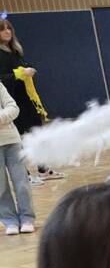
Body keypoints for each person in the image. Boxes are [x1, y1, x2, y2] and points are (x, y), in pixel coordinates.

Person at [0, 15, 61, 181]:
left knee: (37, 132)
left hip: (27, 99)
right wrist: (18, 74)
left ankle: (43, 169)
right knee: (18, 138)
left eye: (8, 28)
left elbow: (23, 67)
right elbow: (2, 78)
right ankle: (24, 175)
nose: (7, 31)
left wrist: (28, 69)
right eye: (2, 29)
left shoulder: (15, 51)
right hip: (12, 101)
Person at [0, 79, 35, 235]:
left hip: (12, 141)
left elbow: (13, 108)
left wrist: (1, 117)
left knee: (21, 183)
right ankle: (10, 221)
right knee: (0, 187)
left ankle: (27, 218)